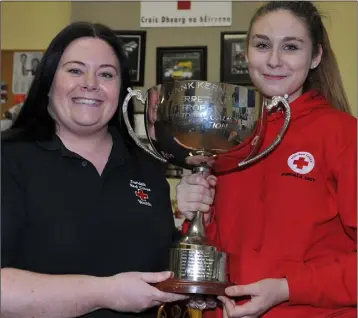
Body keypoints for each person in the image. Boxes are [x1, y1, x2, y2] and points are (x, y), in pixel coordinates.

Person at [176, 2, 357, 318]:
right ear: (245, 53)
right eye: (262, 45)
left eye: (291, 47)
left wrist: (287, 288)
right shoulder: (230, 136)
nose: (274, 60)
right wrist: (194, 214)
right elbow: (218, 251)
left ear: (315, 57)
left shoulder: (342, 134)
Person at [1, 21, 187, 318]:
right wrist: (106, 293)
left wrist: (194, 285)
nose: (90, 83)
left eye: (106, 74)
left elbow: (162, 269)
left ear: (121, 90)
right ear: (48, 81)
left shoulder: (147, 168)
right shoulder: (8, 159)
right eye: (75, 70)